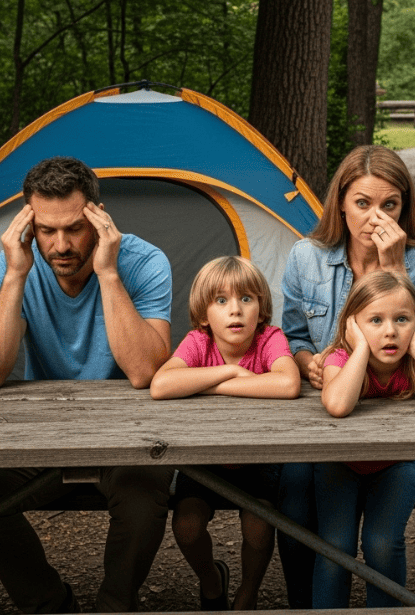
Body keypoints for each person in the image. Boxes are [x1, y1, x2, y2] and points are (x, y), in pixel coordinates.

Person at [0, 156, 173, 613]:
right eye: (46, 230)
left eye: (74, 228)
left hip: (127, 437)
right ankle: (50, 605)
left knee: (145, 490)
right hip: (43, 435)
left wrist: (108, 272)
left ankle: (114, 607)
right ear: (29, 226)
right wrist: (16, 274)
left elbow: (144, 372)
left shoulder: (144, 263)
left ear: (99, 218)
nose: (60, 245)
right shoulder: (9, 269)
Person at [276, 144, 415, 607]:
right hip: (327, 416)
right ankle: (305, 604)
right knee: (293, 501)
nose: (376, 217)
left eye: (389, 204)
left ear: (404, 208)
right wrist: (307, 363)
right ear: (341, 204)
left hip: (397, 417)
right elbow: (292, 336)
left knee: (380, 540)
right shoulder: (306, 257)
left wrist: (395, 269)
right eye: (363, 203)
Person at [313, 270, 415, 607]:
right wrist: (359, 348)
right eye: (375, 320)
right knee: (334, 546)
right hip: (339, 464)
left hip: (398, 464)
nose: (390, 331)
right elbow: (338, 405)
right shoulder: (340, 358)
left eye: (402, 319)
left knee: (382, 543)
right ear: (352, 325)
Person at [150, 255, 300, 610]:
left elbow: (288, 384)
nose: (235, 310)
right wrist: (229, 373)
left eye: (246, 299)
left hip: (258, 458)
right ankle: (211, 579)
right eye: (221, 300)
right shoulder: (198, 342)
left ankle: (248, 593)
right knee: (186, 527)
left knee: (259, 528)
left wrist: (208, 385)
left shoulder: (269, 339)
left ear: (260, 311)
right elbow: (161, 384)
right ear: (204, 315)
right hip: (205, 459)